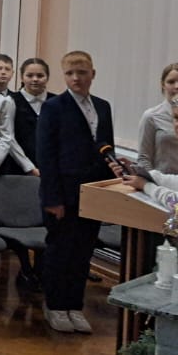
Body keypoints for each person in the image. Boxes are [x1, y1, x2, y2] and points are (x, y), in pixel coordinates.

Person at [35, 50, 112, 335]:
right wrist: (52, 198)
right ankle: (56, 305)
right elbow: (46, 155)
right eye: (70, 73)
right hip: (62, 193)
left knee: (83, 251)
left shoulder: (103, 107)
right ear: (64, 76)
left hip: (92, 193)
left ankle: (74, 305)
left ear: (93, 74)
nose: (76, 78)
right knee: (60, 250)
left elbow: (106, 148)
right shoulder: (53, 107)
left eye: (82, 72)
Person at [138, 63, 178, 175]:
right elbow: (144, 158)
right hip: (161, 183)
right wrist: (152, 182)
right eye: (171, 82)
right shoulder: (151, 116)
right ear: (163, 85)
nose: (177, 86)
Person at [8, 58, 49, 165]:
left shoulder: (56, 102)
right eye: (29, 75)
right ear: (22, 77)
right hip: (18, 165)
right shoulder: (10, 100)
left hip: (49, 165)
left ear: (47, 77)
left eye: (40, 76)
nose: (35, 79)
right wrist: (28, 167)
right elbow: (9, 138)